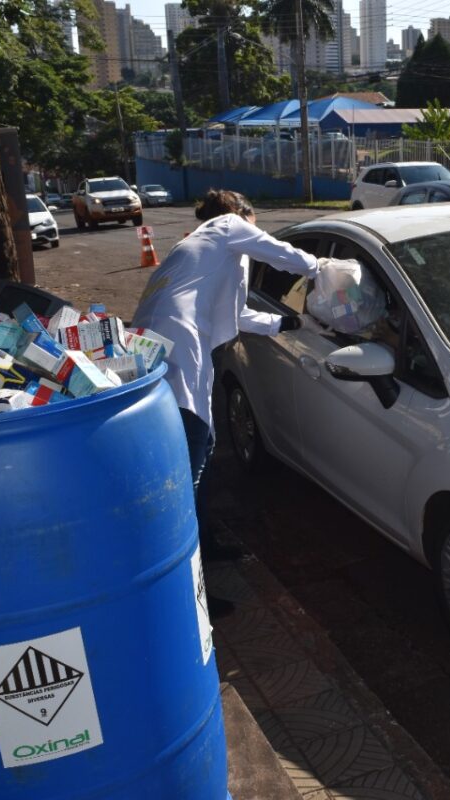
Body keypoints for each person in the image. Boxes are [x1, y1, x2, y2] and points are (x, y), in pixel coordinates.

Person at [132, 189, 319, 612]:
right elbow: (278, 252)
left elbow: (232, 315)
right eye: (254, 220)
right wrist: (319, 268)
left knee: (205, 445)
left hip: (162, 347)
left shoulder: (199, 249)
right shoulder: (226, 226)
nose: (255, 229)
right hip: (179, 349)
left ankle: (207, 543)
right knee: (191, 464)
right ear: (241, 214)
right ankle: (189, 593)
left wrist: (283, 321)